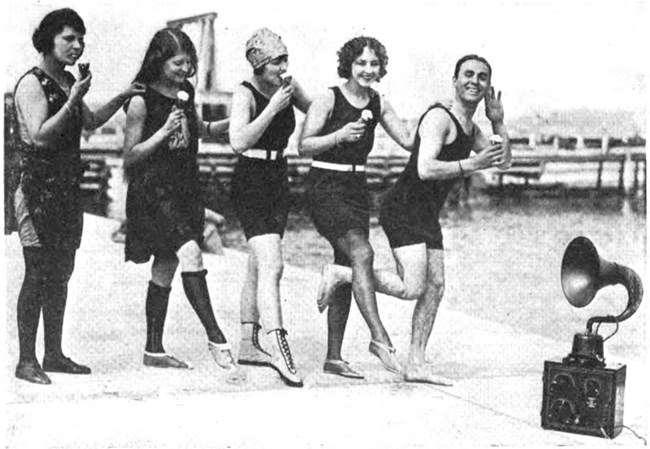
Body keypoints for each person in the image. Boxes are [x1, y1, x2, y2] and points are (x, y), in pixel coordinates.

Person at [316, 54, 511, 384]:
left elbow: (503, 161)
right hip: (403, 208)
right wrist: (471, 165)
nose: (474, 81)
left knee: (435, 287)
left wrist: (498, 122)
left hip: (426, 213)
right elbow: (425, 167)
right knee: (412, 288)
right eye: (467, 74)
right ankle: (342, 273)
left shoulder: (471, 128)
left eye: (481, 77)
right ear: (454, 80)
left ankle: (416, 363)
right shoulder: (440, 119)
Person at [11, 8, 145, 384]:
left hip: (66, 189)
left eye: (80, 38)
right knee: (37, 271)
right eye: (68, 38)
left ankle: (52, 354)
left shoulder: (68, 80)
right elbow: (39, 135)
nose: (77, 45)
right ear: (48, 39)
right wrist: (73, 99)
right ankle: (26, 360)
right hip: (37, 188)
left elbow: (89, 122)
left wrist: (121, 95)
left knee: (61, 272)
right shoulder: (31, 84)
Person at [299, 36, 415, 377]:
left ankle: (334, 357)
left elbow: (408, 140)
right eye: (361, 63)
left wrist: (440, 114)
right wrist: (339, 136)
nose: (367, 70)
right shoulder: (329, 98)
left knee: (347, 265)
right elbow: (303, 145)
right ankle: (379, 338)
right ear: (348, 64)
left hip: (356, 189)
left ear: (381, 68)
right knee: (362, 255)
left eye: (374, 64)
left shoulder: (378, 102)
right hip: (325, 186)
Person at [122, 27, 235, 373]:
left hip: (184, 188)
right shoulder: (141, 100)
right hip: (153, 192)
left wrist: (240, 121)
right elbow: (130, 157)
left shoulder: (184, 92)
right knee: (190, 253)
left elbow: (200, 130)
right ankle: (217, 337)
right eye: (178, 63)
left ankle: (153, 350)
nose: (185, 70)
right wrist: (162, 132)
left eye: (189, 63)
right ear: (159, 61)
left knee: (166, 265)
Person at [228, 28, 311, 387]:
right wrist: (274, 107)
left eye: (285, 59)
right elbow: (237, 141)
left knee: (256, 265)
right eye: (277, 61)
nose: (284, 66)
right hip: (251, 178)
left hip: (278, 177)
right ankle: (279, 346)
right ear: (260, 64)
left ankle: (249, 342)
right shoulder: (245, 93)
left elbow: (318, 110)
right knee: (273, 265)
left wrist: (299, 93)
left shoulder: (286, 86)